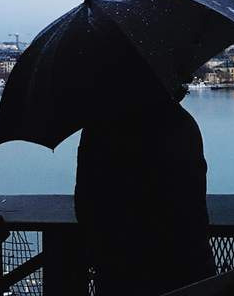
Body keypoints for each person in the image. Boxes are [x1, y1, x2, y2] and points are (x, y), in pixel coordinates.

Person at [74, 82, 216, 295]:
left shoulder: (99, 127)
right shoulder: (180, 123)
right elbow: (192, 199)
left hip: (117, 266)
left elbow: (85, 201)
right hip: (182, 265)